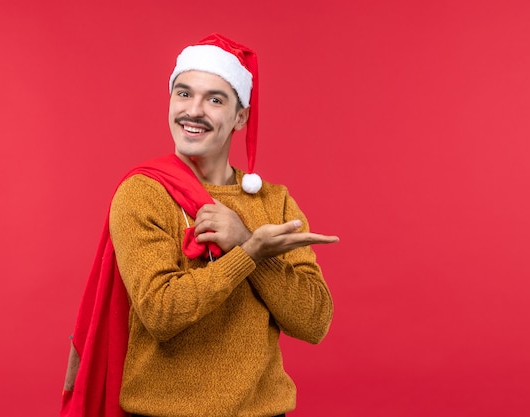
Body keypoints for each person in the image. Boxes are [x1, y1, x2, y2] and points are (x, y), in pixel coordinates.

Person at [62, 33, 338, 417]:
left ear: (241, 116)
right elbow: (161, 312)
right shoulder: (143, 193)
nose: (194, 110)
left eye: (215, 99)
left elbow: (314, 322)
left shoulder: (274, 201)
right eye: (183, 93)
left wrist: (245, 240)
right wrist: (248, 253)